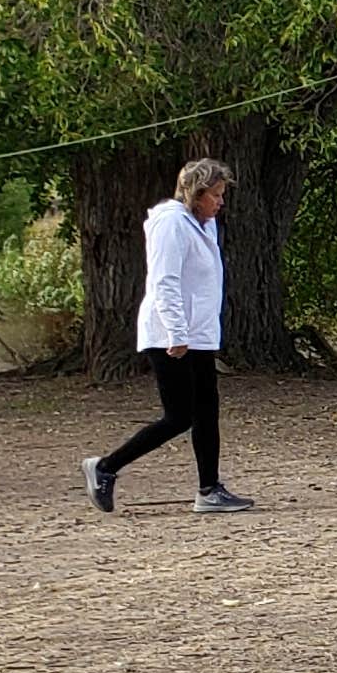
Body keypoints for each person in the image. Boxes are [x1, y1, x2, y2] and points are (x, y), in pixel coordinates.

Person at [81, 157, 253, 514]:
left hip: (200, 334)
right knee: (179, 416)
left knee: (207, 411)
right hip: (171, 335)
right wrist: (177, 331)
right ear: (197, 193)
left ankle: (210, 489)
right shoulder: (171, 223)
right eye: (216, 195)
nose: (221, 202)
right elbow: (165, 280)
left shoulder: (204, 225)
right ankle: (105, 467)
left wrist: (202, 332)